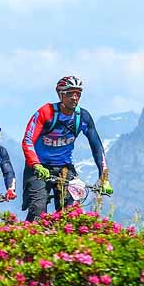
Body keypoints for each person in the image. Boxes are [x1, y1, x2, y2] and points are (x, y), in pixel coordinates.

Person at [21, 75, 113, 221]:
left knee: (70, 213)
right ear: (60, 94)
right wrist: (36, 165)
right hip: (38, 168)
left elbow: (97, 148)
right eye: (70, 93)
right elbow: (27, 141)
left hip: (65, 168)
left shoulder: (82, 116)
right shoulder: (46, 113)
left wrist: (104, 178)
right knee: (38, 212)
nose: (75, 97)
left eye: (78, 94)